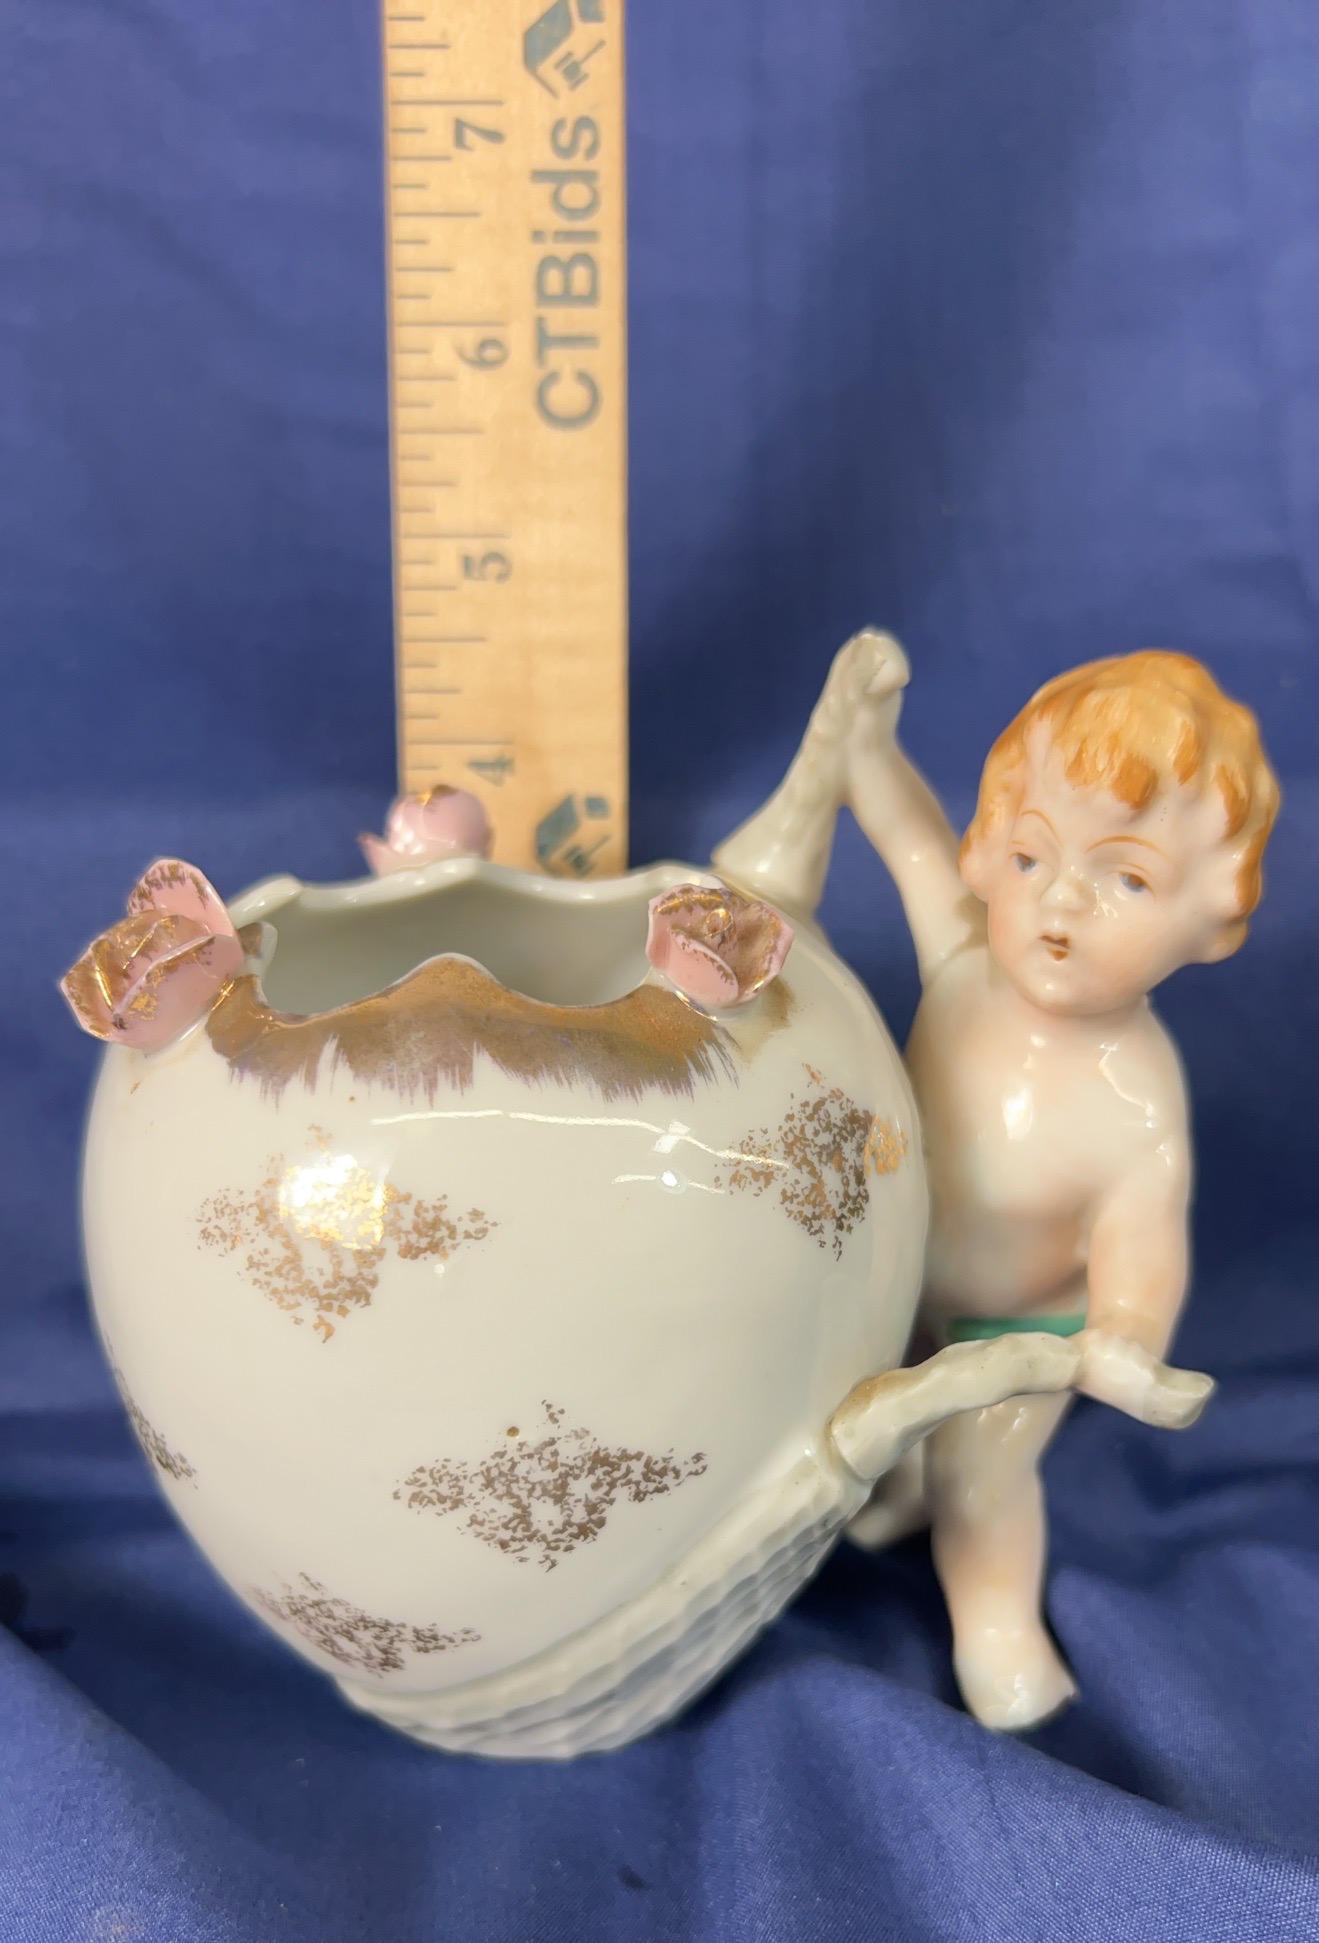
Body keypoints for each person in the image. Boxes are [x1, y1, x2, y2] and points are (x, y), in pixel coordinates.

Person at [715, 633, 1279, 1728]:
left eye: (1124, 876)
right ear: (986, 855)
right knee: (834, 1397)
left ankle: (997, 1632)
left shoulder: (1135, 1099)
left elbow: (1141, 1238)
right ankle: (890, 1488)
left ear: (1209, 915)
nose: (1059, 903)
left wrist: (1121, 1338)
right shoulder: (964, 967)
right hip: (891, 1279)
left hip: (1019, 1328)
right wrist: (863, 738)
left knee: (982, 1473)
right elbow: (902, 833)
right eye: (1029, 857)